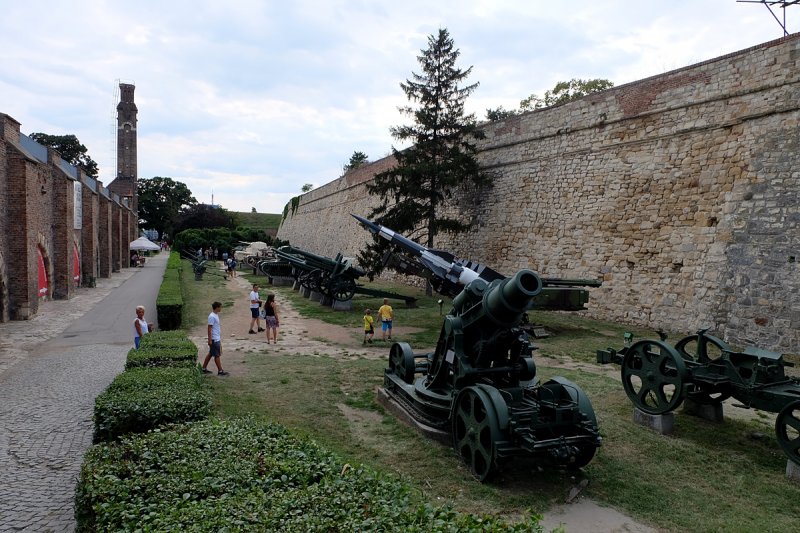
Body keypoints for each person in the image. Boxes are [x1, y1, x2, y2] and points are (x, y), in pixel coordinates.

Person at [202, 301, 228, 376]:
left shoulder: (215, 315)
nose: (221, 308)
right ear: (217, 307)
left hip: (216, 337)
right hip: (214, 339)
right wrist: (210, 340)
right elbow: (209, 328)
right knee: (217, 355)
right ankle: (220, 371)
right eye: (220, 307)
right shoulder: (212, 316)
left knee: (211, 353)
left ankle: (203, 368)